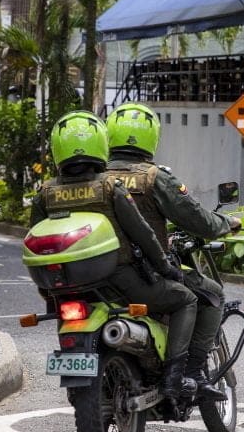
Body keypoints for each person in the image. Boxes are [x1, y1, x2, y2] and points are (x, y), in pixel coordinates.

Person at [30, 111, 198, 401]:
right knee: (186, 299)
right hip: (121, 280)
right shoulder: (110, 188)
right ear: (100, 143)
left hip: (67, 286)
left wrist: (47, 291)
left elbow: (37, 239)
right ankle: (174, 378)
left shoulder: (45, 193)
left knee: (64, 310)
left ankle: (76, 382)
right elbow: (143, 234)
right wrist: (166, 269)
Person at [105, 102, 241, 401]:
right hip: (145, 275)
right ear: (152, 137)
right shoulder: (155, 177)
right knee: (212, 294)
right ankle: (190, 374)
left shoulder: (96, 179)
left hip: (99, 279)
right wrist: (227, 223)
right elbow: (197, 219)